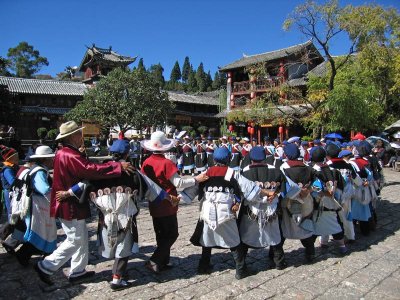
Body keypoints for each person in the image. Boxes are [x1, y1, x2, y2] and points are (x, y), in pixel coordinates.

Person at [34, 121, 134, 286]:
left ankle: (78, 271)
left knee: (80, 238)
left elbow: (84, 168)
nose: (81, 136)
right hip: (69, 203)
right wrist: (117, 166)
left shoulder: (64, 152)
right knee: (75, 239)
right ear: (73, 136)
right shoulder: (70, 155)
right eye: (79, 133)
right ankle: (46, 266)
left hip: (70, 201)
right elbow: (90, 170)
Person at [182, 147, 273, 280]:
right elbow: (251, 189)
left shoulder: (207, 172)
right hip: (226, 212)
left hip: (207, 211)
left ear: (214, 159)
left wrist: (178, 198)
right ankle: (240, 269)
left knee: (206, 237)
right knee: (234, 240)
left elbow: (192, 190)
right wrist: (268, 193)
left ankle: (203, 266)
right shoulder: (233, 173)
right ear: (229, 159)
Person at [140, 131, 208, 273]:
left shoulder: (146, 162)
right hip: (168, 202)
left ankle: (162, 262)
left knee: (160, 234)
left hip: (154, 201)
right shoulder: (166, 163)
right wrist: (196, 179)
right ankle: (155, 260)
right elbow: (178, 182)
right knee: (172, 233)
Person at [240, 146, 287, 270]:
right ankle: (279, 262)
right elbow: (283, 188)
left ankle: (241, 264)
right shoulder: (276, 171)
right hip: (272, 208)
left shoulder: (244, 172)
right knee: (274, 234)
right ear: (264, 156)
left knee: (246, 234)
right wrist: (275, 194)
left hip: (251, 209)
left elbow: (241, 192)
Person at [15, 146, 58, 266]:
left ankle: (45, 254)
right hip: (39, 206)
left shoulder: (36, 169)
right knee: (41, 231)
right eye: (50, 159)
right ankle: (24, 254)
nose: (52, 161)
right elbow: (43, 189)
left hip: (37, 204)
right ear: (45, 160)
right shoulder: (40, 171)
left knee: (42, 231)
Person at [0, 146, 22, 253]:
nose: (18, 158)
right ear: (9, 158)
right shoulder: (7, 169)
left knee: (15, 216)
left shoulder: (13, 167)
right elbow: (13, 182)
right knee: (13, 215)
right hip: (10, 194)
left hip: (14, 193)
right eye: (16, 156)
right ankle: (3, 234)